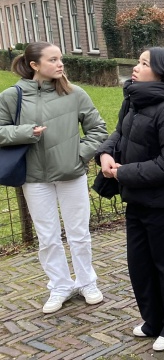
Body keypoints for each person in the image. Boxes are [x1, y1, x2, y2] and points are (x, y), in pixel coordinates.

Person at [96, 47, 164, 352]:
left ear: (163, 72)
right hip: (138, 200)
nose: (136, 68)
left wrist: (123, 173)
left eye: (144, 63)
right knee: (140, 265)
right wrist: (105, 153)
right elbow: (119, 135)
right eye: (138, 62)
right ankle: (154, 320)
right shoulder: (134, 100)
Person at [0, 42, 107, 314]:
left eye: (61, 59)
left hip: (71, 174)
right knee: (47, 237)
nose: (60, 64)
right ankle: (60, 285)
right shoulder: (12, 96)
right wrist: (26, 132)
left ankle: (86, 282)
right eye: (53, 60)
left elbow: (98, 130)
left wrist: (78, 155)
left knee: (79, 233)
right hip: (34, 177)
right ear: (34, 65)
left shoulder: (75, 93)